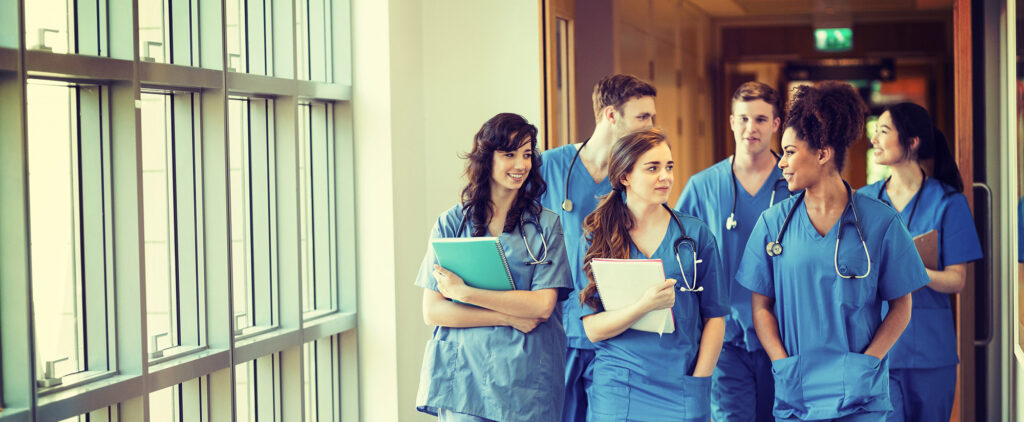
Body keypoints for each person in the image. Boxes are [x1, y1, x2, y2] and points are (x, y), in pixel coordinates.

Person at [736, 82, 930, 421]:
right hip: (797, 389)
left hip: (860, 393)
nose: (781, 162)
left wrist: (868, 362)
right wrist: (782, 363)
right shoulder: (773, 223)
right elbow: (761, 306)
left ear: (823, 154)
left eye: (791, 152)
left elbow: (902, 305)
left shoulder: (881, 222)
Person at [414, 113, 573, 422]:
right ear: (487, 158)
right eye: (509, 154)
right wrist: (506, 315)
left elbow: (541, 305)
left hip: (526, 382)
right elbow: (433, 311)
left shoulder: (546, 226)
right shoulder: (451, 223)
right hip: (465, 378)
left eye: (527, 154)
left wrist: (464, 293)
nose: (520, 164)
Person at [576, 128, 728, 421]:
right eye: (653, 168)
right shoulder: (597, 236)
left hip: (681, 384)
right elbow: (593, 329)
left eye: (669, 166)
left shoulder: (695, 235)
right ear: (625, 176)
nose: (666, 176)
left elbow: (715, 318)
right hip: (619, 388)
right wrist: (643, 305)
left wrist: (700, 380)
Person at [537, 74, 656, 422]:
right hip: (558, 331)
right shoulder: (550, 167)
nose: (652, 126)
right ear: (610, 115)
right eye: (643, 117)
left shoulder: (634, 176)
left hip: (614, 332)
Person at [857, 102, 983, 422]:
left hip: (931, 356)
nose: (875, 139)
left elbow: (958, 280)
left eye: (883, 131)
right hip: (878, 351)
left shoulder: (948, 203)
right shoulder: (863, 201)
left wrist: (913, 271)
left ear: (912, 142)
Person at [674, 81, 787, 421]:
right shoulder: (703, 186)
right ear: (731, 121)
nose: (751, 128)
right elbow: (677, 253)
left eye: (761, 120)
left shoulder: (793, 183)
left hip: (784, 335)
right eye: (743, 118)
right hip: (726, 336)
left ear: (776, 124)